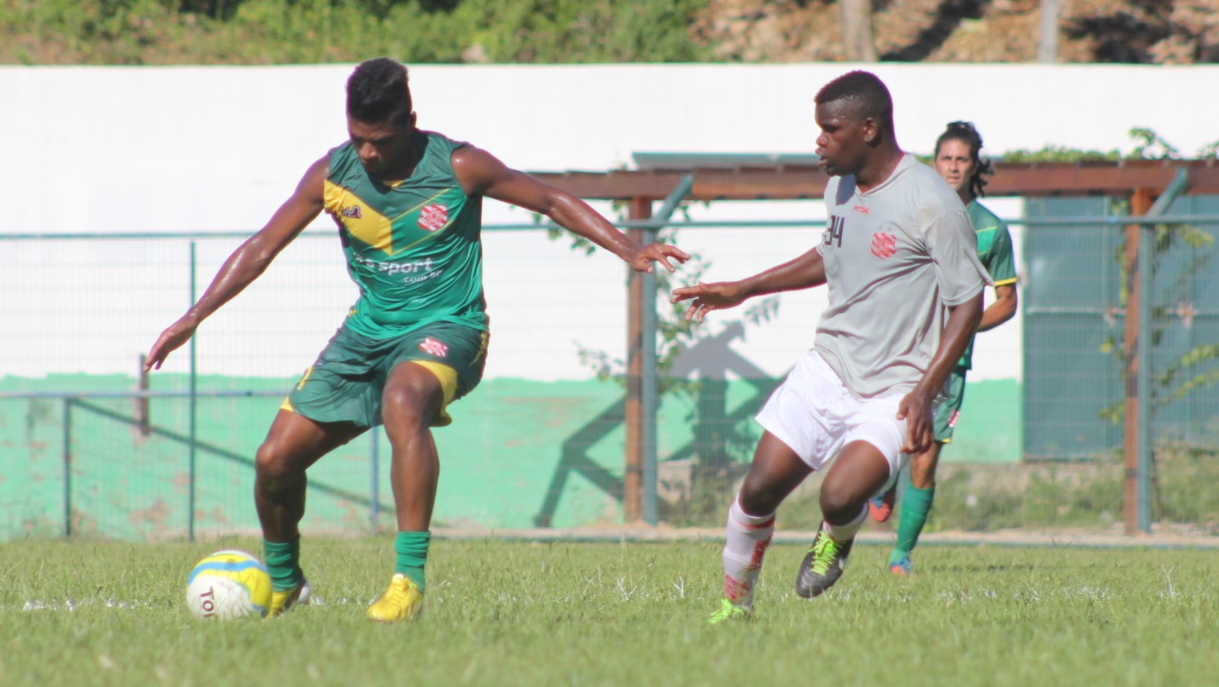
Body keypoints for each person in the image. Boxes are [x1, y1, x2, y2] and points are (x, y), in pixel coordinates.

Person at [145, 58, 688, 623]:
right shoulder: (330, 176)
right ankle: (285, 584)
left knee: (403, 401)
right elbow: (262, 247)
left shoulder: (460, 166)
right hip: (366, 334)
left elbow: (550, 200)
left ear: (409, 120)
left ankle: (408, 581)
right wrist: (194, 317)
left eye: (379, 141)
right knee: (275, 459)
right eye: (358, 138)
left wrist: (628, 247)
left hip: (450, 328)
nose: (368, 153)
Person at [671, 70, 990, 621]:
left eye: (829, 129)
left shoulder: (931, 201)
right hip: (830, 367)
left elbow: (968, 302)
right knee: (758, 489)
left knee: (840, 496)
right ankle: (735, 608)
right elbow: (830, 253)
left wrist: (924, 392)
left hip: (896, 387)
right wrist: (744, 289)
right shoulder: (839, 185)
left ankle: (836, 538)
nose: (819, 141)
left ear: (868, 129)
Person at [867, 121, 1017, 575]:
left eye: (962, 159)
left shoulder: (990, 231)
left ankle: (901, 554)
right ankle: (883, 481)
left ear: (975, 167)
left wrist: (963, 331)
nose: (953, 166)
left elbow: (1006, 303)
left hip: (949, 364)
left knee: (925, 458)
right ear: (935, 164)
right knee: (888, 442)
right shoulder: (913, 214)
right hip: (900, 353)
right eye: (946, 158)